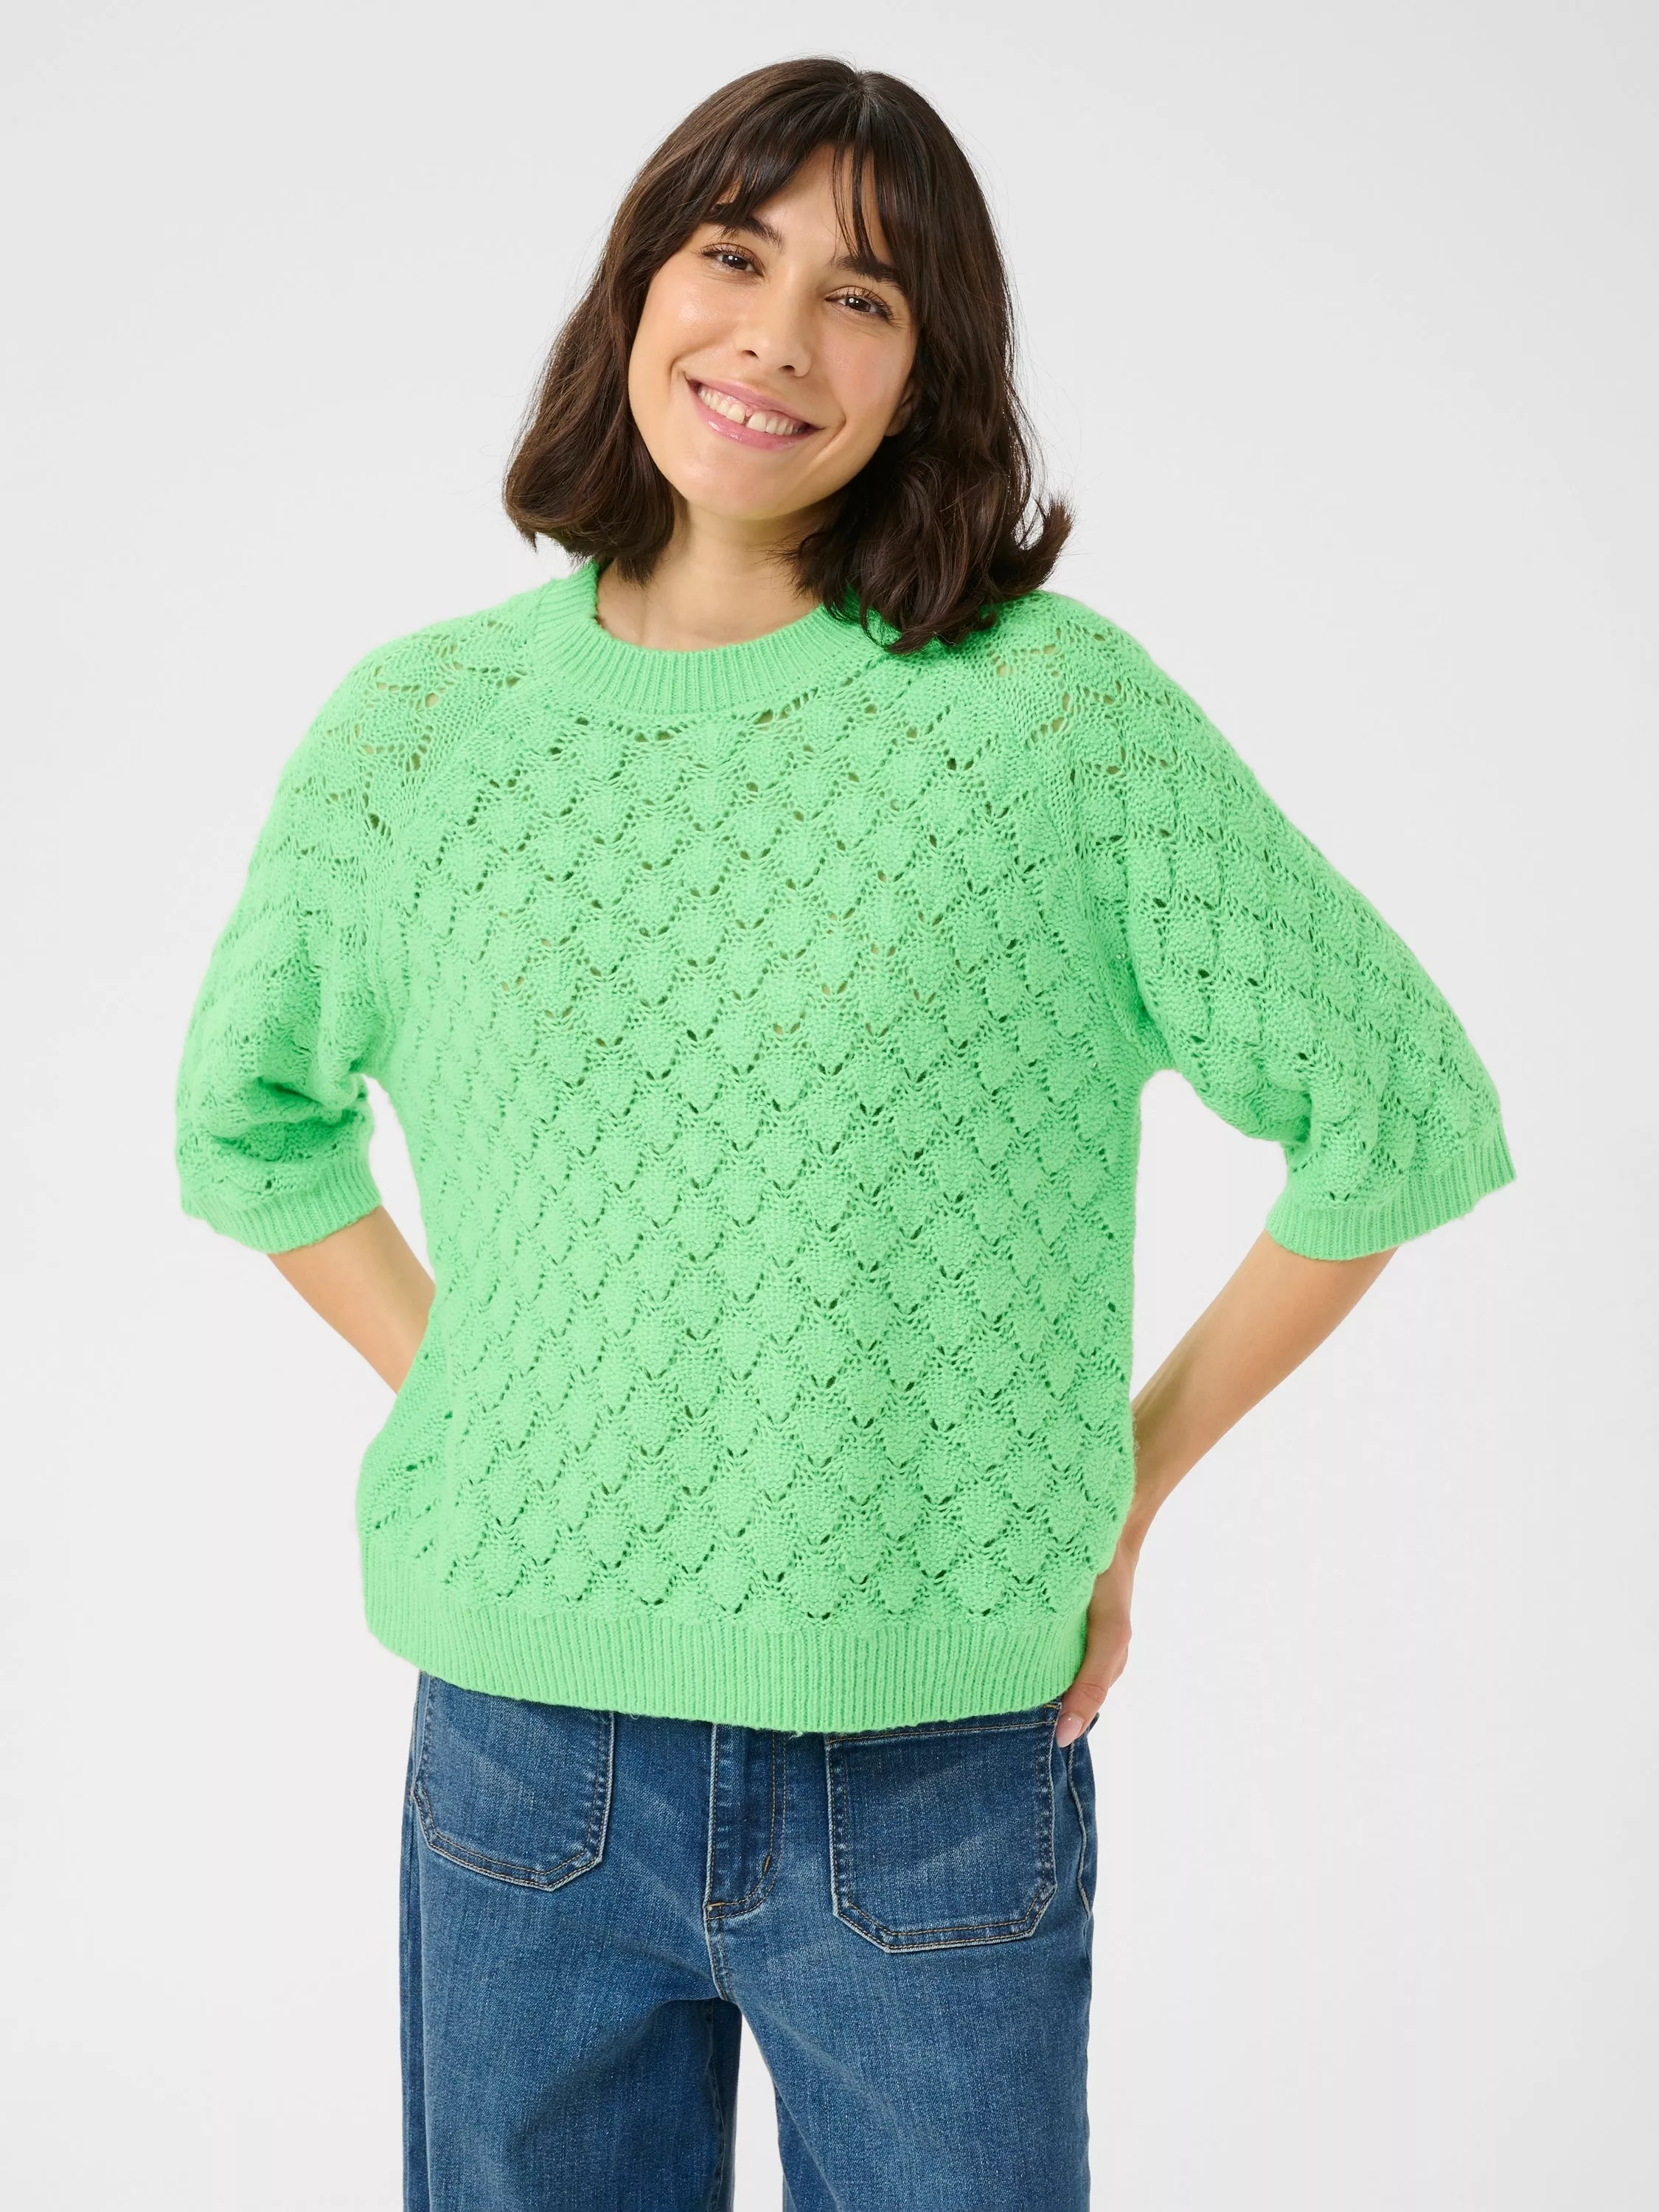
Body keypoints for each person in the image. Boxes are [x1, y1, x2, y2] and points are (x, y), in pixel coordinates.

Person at [173, 56, 1517, 2212]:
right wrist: (485, 1389)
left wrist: (1126, 1491)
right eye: (734, 255)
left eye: (864, 295)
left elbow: (1396, 1108)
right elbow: (248, 1124)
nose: (779, 335)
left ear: (931, 368)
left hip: (937, 1774)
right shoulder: (419, 730)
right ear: (638, 286)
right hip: (521, 1753)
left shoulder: (1053, 721)